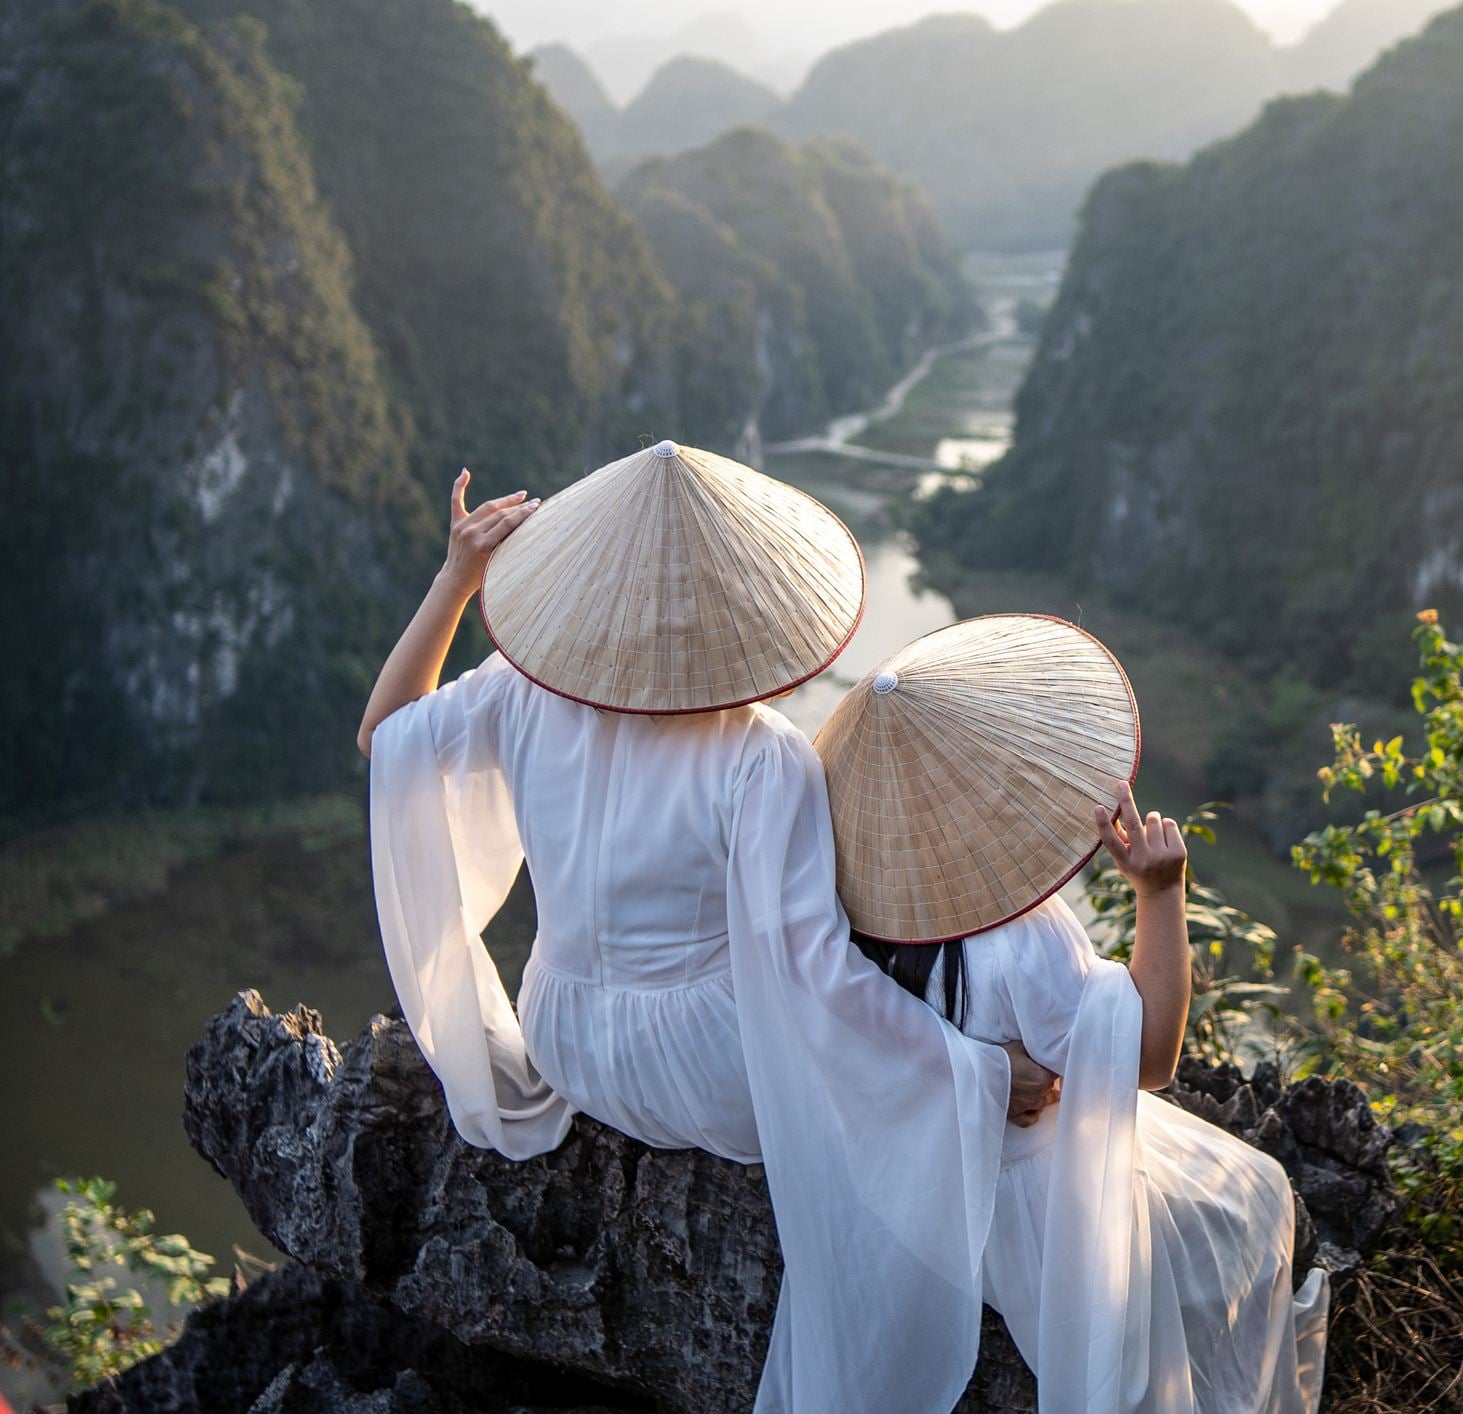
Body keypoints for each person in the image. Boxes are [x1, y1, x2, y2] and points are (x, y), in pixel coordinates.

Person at [356, 443, 1058, 1414]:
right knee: (926, 957)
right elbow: (811, 978)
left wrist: (456, 574)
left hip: (564, 1037)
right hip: (718, 1078)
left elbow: (384, 736)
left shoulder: (519, 688)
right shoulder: (761, 757)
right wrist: (973, 1072)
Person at [813, 614, 1330, 1414]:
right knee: (1254, 1199)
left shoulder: (835, 905)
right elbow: (1149, 1061)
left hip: (916, 1191)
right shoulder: (1019, 933)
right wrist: (1160, 894)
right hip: (1034, 1210)